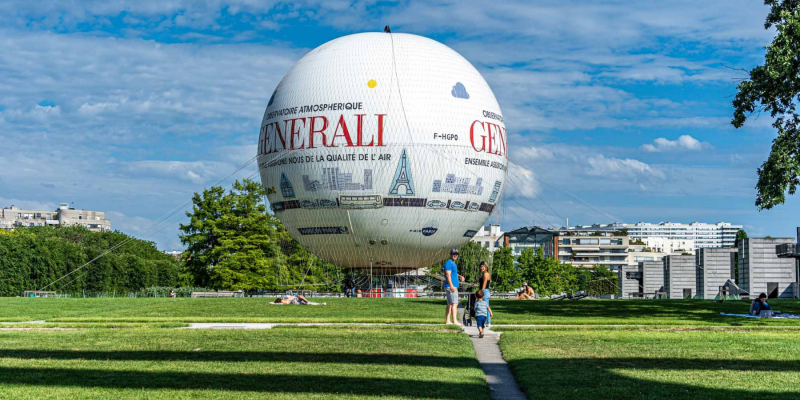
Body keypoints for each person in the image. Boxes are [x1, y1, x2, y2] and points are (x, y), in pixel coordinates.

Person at [444, 248, 465, 325]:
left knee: (449, 304)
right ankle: (455, 321)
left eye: (456, 254)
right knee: (454, 303)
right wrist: (451, 285)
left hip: (450, 286)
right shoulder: (449, 263)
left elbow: (453, 273)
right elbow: (448, 274)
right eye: (453, 254)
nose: (455, 255)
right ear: (450, 254)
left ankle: (448, 321)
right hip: (451, 286)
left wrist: (459, 276)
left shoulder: (453, 263)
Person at [474, 261, 492, 326]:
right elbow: (482, 280)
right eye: (480, 266)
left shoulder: (485, 274)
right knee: (485, 306)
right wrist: (475, 282)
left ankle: (488, 321)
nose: (481, 268)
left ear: (486, 267)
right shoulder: (486, 274)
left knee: (485, 307)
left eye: (482, 266)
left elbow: (484, 283)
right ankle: (486, 321)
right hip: (485, 291)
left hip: (484, 291)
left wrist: (481, 291)